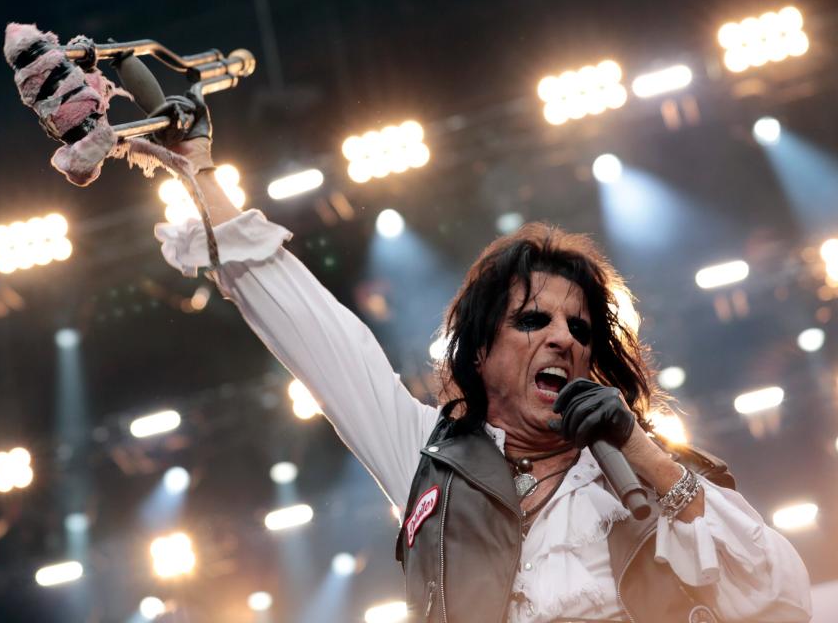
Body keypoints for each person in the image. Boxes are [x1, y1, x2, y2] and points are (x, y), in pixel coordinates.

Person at [151, 113, 813, 622]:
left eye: (579, 330)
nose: (561, 339)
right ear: (481, 352)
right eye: (533, 321)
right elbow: (319, 339)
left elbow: (777, 594)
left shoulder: (640, 477)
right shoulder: (429, 456)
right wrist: (198, 173)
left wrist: (641, 453)